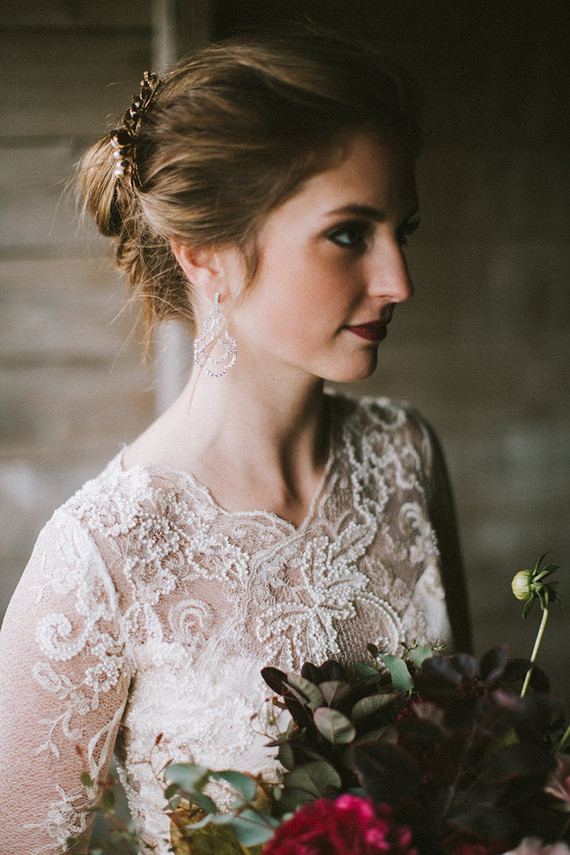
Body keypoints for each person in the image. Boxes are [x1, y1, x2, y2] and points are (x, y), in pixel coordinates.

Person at [0, 26, 471, 854]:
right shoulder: (102, 554)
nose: (399, 280)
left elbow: (469, 764)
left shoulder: (408, 455)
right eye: (351, 233)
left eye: (405, 229)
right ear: (207, 251)